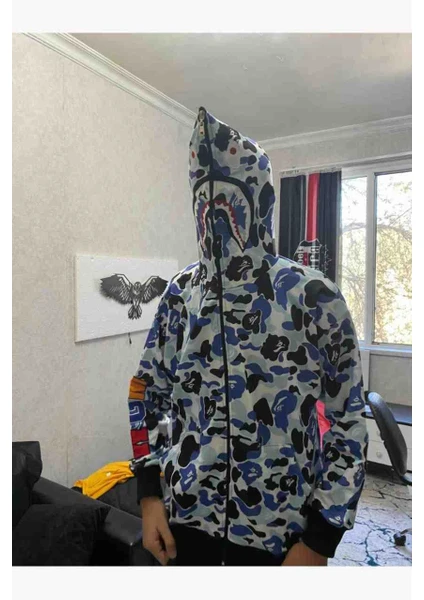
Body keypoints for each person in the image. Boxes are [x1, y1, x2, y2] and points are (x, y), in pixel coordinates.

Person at [127, 107, 369, 566]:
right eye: (204, 201)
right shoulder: (181, 294)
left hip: (283, 538)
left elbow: (349, 421)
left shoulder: (313, 297)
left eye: (228, 202)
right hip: (184, 525)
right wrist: (149, 494)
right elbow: (145, 393)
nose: (214, 217)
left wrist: (320, 540)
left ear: (259, 202)